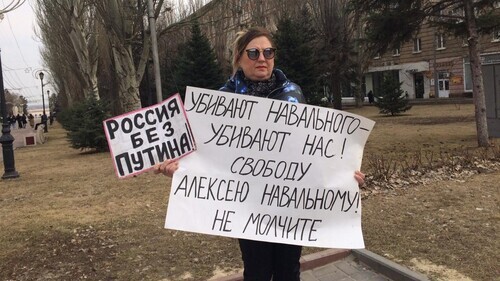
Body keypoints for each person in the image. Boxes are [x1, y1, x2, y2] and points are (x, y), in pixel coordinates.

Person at [154, 27, 366, 281]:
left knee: (289, 271)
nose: (262, 58)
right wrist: (179, 171)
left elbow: (313, 148)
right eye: (253, 53)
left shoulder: (293, 94)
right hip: (248, 207)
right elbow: (205, 154)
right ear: (239, 59)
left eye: (268, 52)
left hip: (290, 204)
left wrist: (345, 176)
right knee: (256, 272)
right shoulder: (220, 101)